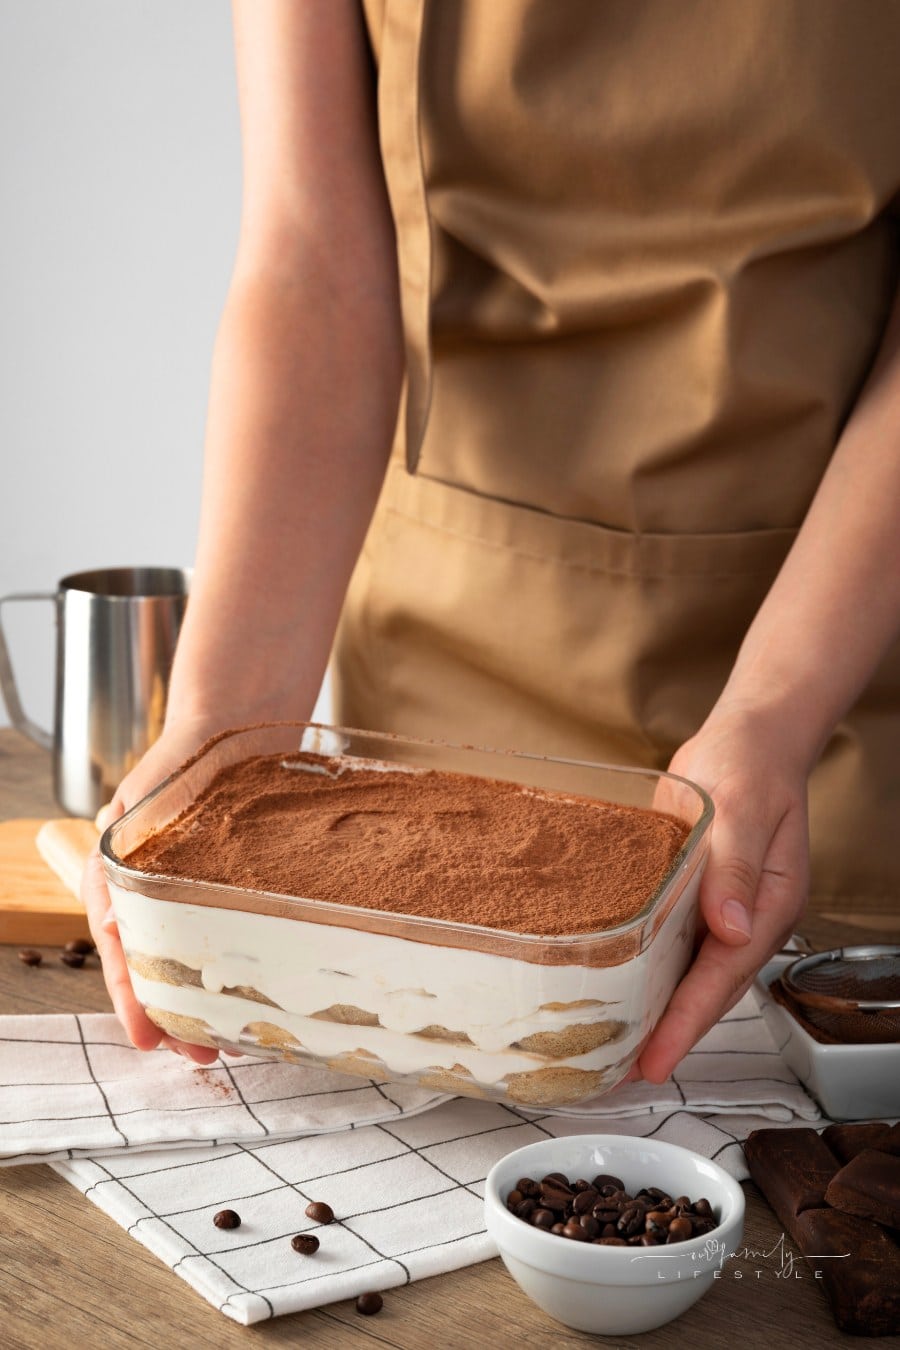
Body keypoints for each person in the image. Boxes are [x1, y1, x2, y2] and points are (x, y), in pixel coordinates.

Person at [83, 1, 900, 1080]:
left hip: (833, 685)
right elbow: (314, 261)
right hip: (428, 711)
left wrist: (773, 717)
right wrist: (224, 716)